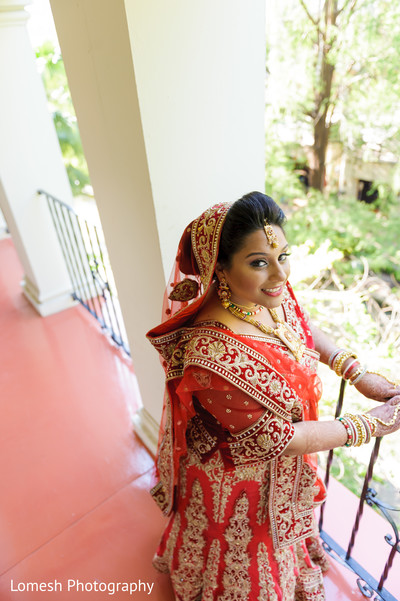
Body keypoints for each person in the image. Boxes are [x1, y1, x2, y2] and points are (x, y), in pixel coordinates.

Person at [146, 192, 400, 601]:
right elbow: (280, 440)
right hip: (238, 483)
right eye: (259, 262)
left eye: (284, 255)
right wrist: (371, 424)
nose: (280, 275)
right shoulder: (212, 359)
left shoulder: (260, 295)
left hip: (279, 469)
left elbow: (301, 324)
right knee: (248, 556)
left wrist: (356, 372)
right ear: (221, 269)